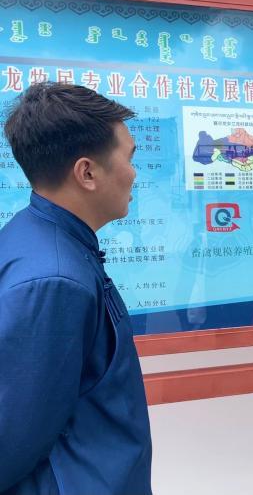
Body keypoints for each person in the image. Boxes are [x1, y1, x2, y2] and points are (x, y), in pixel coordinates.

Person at [0, 83, 152, 494]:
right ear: (87, 173)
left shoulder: (40, 239)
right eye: (129, 158)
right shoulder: (53, 280)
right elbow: (12, 440)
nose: (134, 173)